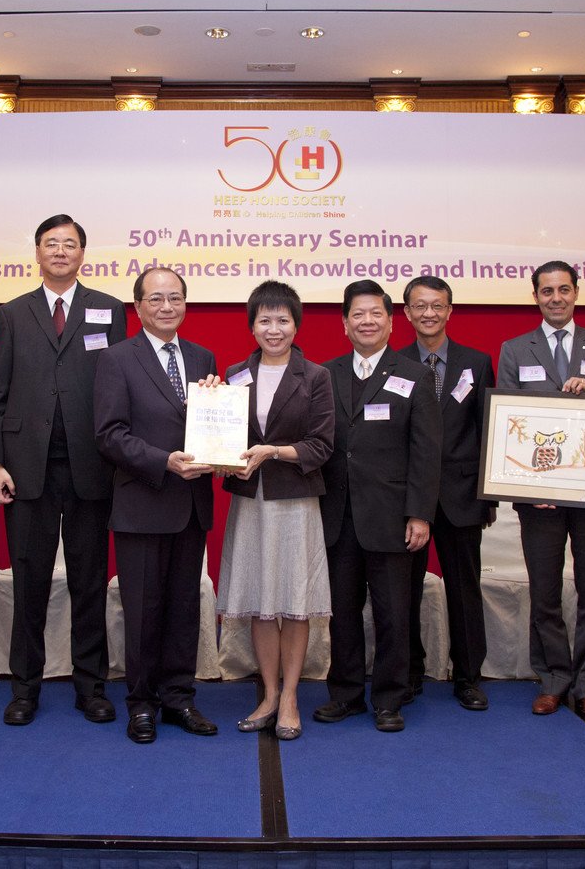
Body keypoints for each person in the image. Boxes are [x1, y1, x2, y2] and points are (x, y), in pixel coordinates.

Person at [0, 214, 126, 726]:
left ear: (83, 253)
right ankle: (25, 689)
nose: (60, 251)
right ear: (37, 253)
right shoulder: (13, 313)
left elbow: (118, 386)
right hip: (26, 470)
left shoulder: (109, 309)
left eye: (70, 244)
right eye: (51, 243)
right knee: (30, 584)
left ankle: (92, 687)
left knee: (89, 583)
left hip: (92, 467)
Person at [496, 260, 585, 721]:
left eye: (564, 289)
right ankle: (553, 678)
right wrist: (528, 485)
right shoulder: (515, 349)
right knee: (545, 590)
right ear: (535, 296)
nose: (556, 298)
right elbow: (508, 420)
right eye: (547, 291)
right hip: (539, 498)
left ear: (576, 292)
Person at [93, 266, 218, 744]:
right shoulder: (117, 359)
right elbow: (109, 435)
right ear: (138, 306)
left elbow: (212, 423)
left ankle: (179, 698)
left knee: (184, 608)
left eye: (175, 298)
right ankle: (142, 703)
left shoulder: (202, 356)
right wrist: (163, 461)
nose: (167, 306)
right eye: (156, 299)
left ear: (186, 302)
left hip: (191, 504)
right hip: (143, 503)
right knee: (143, 611)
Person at [316, 280, 441, 733]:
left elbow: (426, 451)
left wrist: (420, 513)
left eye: (375, 314)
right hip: (338, 515)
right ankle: (345, 694)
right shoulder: (325, 374)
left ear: (390, 321)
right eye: (357, 314)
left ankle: (389, 698)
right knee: (342, 612)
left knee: (393, 614)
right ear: (344, 323)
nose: (366, 321)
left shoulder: (414, 374)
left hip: (392, 517)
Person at [216, 281, 334, 740]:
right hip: (250, 501)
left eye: (282, 319)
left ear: (296, 325)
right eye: (264, 320)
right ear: (252, 326)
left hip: (295, 501)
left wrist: (273, 452)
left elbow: (321, 445)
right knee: (261, 604)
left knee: (295, 604)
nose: (274, 329)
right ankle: (268, 693)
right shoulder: (234, 374)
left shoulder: (316, 376)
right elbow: (223, 435)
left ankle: (290, 698)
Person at [398, 275, 496, 711]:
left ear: (450, 311)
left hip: (462, 497)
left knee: (464, 590)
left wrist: (488, 497)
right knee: (404, 591)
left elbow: (488, 432)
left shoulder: (477, 363)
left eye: (437, 305)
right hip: (408, 499)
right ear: (407, 313)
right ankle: (409, 671)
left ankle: (469, 677)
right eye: (420, 306)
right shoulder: (395, 363)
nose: (429, 313)